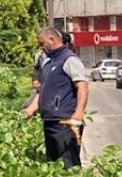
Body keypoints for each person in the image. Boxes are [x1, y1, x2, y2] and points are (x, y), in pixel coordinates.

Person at [23, 27, 89, 168]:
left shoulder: (69, 59)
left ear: (52, 40)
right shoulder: (49, 63)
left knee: (68, 164)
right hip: (50, 121)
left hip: (65, 121)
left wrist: (78, 113)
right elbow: (42, 92)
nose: (40, 48)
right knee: (53, 165)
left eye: (42, 44)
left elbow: (82, 86)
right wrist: (30, 109)